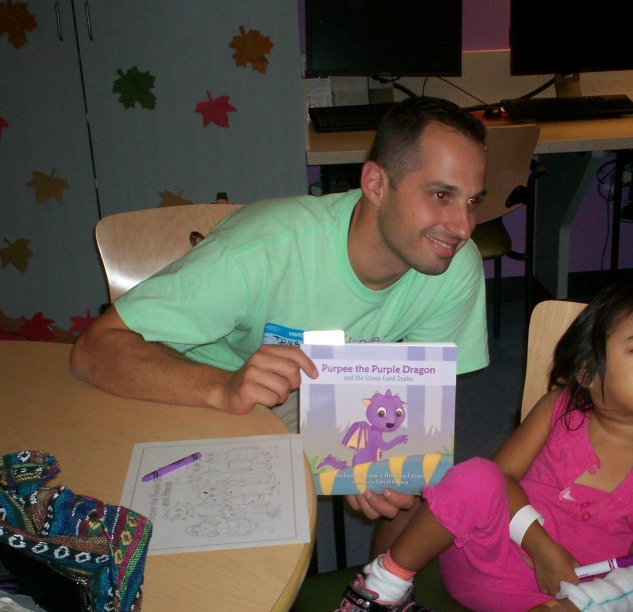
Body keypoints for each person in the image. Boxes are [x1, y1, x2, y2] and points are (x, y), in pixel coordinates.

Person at [70, 96, 490, 544]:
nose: (462, 227)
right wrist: (222, 387)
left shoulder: (453, 266)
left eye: (472, 201)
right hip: (203, 385)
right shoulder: (261, 249)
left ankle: (375, 605)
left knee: (419, 482)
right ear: (376, 184)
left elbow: (416, 415)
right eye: (441, 195)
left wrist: (378, 466)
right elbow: (95, 349)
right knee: (233, 531)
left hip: (322, 387)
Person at [300, 280, 633, 612]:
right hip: (486, 557)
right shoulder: (559, 409)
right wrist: (542, 548)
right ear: (587, 371)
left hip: (553, 602)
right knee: (476, 475)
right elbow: (498, 479)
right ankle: (379, 595)